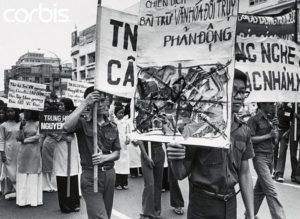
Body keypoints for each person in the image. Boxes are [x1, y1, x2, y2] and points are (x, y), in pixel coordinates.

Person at [167, 69, 255, 219]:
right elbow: (180, 173)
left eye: (242, 92)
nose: (239, 97)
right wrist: (174, 156)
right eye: (234, 91)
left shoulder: (244, 130)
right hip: (202, 205)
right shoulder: (198, 127)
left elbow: (245, 173)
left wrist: (251, 214)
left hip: (230, 205)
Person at [63, 87, 120, 219]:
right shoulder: (83, 123)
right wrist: (84, 103)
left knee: (105, 214)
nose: (102, 104)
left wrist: (105, 157)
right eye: (97, 101)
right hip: (90, 175)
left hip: (109, 174)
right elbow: (66, 126)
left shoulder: (112, 126)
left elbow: (117, 153)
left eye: (104, 101)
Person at [248, 102, 286, 218]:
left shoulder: (271, 119)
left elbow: (275, 141)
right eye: (270, 104)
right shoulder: (254, 120)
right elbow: (249, 139)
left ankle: (249, 215)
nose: (272, 106)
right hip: (260, 157)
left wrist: (276, 129)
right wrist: (269, 135)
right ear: (262, 104)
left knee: (260, 190)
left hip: (270, 157)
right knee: (271, 190)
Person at [53, 98, 81, 213]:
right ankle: (65, 205)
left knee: (73, 174)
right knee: (62, 175)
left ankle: (75, 203)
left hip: (72, 147)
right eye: (59, 105)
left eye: (62, 105)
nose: (60, 107)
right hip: (60, 148)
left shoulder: (74, 117)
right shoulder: (53, 118)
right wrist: (62, 137)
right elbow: (49, 131)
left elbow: (78, 128)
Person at [16, 110, 43, 207]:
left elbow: (38, 136)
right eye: (25, 111)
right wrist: (21, 127)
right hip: (23, 151)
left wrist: (25, 140)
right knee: (23, 173)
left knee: (33, 173)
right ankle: (23, 200)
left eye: (28, 112)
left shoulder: (38, 123)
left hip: (34, 151)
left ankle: (34, 200)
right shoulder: (22, 123)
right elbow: (18, 138)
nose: (26, 113)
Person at [137, 141, 165, 219]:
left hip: (159, 150)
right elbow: (139, 141)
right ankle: (146, 213)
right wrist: (146, 156)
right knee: (150, 184)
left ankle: (156, 212)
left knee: (158, 184)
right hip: (147, 151)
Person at [0, 107, 20, 199]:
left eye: (12, 111)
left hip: (19, 148)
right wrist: (2, 153)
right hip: (8, 149)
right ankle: (9, 189)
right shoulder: (3, 125)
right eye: (8, 111)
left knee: (18, 168)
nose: (10, 113)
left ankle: (18, 189)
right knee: (9, 169)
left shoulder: (20, 123)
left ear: (15, 112)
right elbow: (1, 140)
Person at [274, 103, 292, 182]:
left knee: (282, 153)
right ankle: (274, 169)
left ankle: (279, 174)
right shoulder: (275, 109)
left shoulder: (289, 110)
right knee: (274, 151)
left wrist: (287, 132)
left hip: (285, 133)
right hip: (276, 132)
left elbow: (292, 123)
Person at [114, 105, 130, 190]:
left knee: (125, 164)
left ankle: (125, 182)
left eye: (122, 113)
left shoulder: (126, 123)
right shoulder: (114, 122)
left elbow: (128, 132)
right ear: (115, 114)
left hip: (124, 146)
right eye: (119, 113)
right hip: (116, 145)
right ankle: (117, 183)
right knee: (118, 164)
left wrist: (128, 138)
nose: (121, 114)